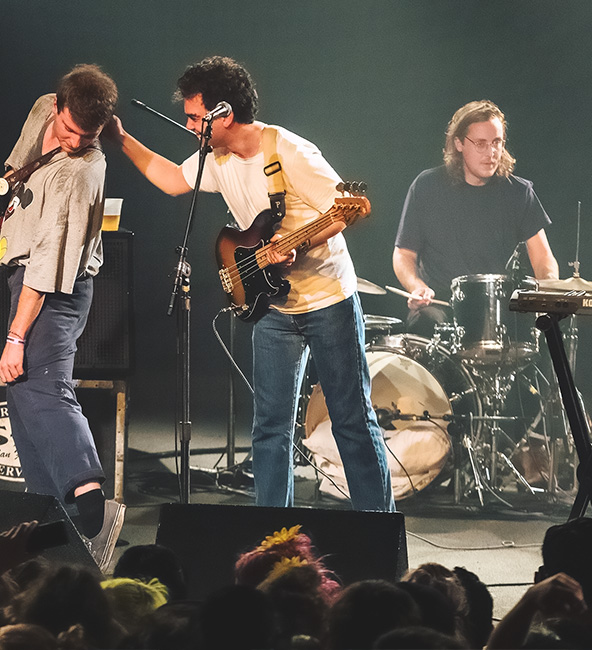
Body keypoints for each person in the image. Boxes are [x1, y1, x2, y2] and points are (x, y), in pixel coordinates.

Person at [110, 55, 394, 510]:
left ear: (224, 114)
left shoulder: (290, 151)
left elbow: (346, 209)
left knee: (352, 423)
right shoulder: (216, 158)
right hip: (273, 307)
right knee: (269, 428)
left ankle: (380, 527)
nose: (188, 125)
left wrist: (299, 243)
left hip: (328, 302)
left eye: (194, 116)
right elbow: (169, 179)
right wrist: (121, 140)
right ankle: (272, 534)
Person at [0, 64, 124, 570]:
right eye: (69, 130)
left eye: (88, 136)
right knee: (23, 394)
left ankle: (86, 488)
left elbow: (48, 270)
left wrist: (14, 336)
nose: (74, 142)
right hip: (20, 273)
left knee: (44, 384)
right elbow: (13, 175)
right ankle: (47, 514)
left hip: (55, 289)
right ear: (57, 107)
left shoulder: (83, 171)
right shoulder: (40, 109)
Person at [393, 99, 560, 336]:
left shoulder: (519, 192)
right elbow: (403, 254)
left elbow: (543, 258)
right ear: (459, 143)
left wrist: (547, 289)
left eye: (497, 143)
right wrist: (417, 286)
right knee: (424, 325)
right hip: (441, 307)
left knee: (541, 335)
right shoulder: (426, 186)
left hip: (501, 311)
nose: (491, 153)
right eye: (481, 144)